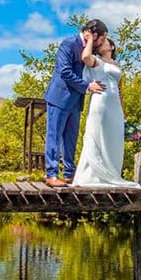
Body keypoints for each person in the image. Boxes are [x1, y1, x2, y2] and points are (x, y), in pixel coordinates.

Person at [43, 19, 107, 188]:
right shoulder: (68, 44)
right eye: (102, 38)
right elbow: (64, 71)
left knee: (71, 138)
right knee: (54, 136)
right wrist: (87, 86)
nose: (102, 42)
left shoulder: (90, 50)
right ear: (94, 34)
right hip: (59, 97)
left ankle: (69, 174)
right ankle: (51, 174)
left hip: (76, 100)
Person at [72, 35, 139, 187]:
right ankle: (92, 174)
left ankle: (112, 173)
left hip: (114, 104)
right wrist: (90, 38)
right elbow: (85, 57)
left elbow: (120, 89)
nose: (101, 43)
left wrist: (123, 112)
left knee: (113, 138)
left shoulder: (117, 64)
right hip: (100, 100)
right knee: (97, 134)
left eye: (105, 41)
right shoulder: (96, 61)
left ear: (112, 47)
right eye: (100, 42)